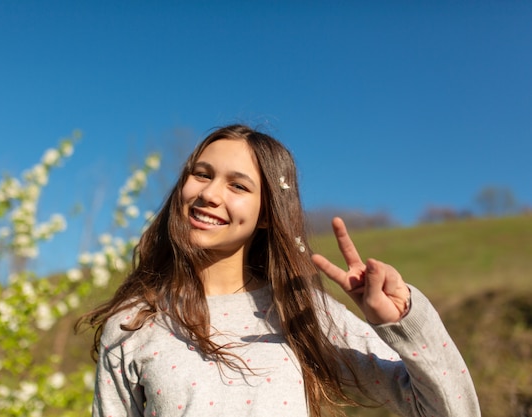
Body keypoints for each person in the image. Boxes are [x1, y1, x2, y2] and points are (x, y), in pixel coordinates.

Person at [77, 124, 480, 417]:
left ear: (266, 214)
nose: (209, 194)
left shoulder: (304, 314)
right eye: (201, 174)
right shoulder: (133, 323)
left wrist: (406, 322)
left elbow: (448, 411)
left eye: (238, 186)